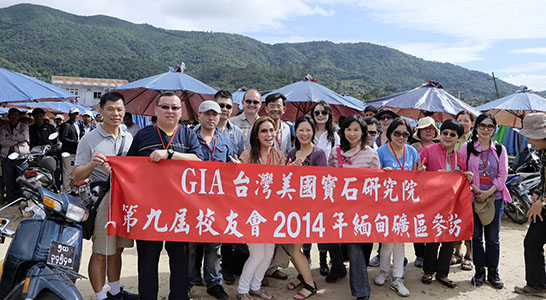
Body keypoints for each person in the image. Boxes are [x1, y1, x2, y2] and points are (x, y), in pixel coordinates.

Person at [127, 91, 203, 300]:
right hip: (149, 209)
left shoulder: (188, 135)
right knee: (148, 260)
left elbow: (199, 161)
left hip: (179, 210)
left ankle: (178, 296)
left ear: (181, 112)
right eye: (165, 107)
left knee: (180, 260)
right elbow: (128, 167)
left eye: (175, 108)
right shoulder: (143, 135)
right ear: (156, 110)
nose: (170, 111)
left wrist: (170, 154)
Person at [73, 92, 138, 300]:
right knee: (101, 251)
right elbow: (76, 175)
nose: (115, 113)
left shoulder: (129, 137)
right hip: (104, 201)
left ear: (125, 111)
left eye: (119, 109)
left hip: (125, 202)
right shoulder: (89, 138)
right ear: (100, 110)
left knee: (118, 248)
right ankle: (101, 296)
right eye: (110, 109)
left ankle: (116, 291)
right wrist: (92, 164)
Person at [233, 116, 286, 300]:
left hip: (271, 213)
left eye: (272, 130)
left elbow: (283, 185)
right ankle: (242, 290)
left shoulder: (280, 156)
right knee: (256, 253)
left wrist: (293, 171)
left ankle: (255, 286)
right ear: (256, 134)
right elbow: (239, 185)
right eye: (264, 130)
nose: (269, 134)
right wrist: (239, 170)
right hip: (252, 213)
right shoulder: (247, 156)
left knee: (268, 253)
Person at [328, 114, 380, 300]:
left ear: (363, 132)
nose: (352, 133)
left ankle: (361, 291)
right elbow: (330, 180)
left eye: (356, 129)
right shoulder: (335, 152)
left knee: (354, 246)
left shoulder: (371, 154)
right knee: (330, 238)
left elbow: (377, 184)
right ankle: (338, 268)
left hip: (360, 210)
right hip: (338, 208)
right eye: (349, 129)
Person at [419, 119, 474, 289]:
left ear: (459, 138)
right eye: (445, 133)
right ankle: (428, 271)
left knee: (449, 240)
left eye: (452, 134)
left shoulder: (461, 157)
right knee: (432, 239)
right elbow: (418, 177)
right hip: (433, 204)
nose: (448, 137)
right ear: (440, 134)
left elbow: (463, 184)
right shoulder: (427, 151)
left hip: (453, 205)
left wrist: (468, 178)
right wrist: (423, 172)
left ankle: (443, 273)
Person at [189, 100, 232, 300]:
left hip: (217, 203)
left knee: (214, 246)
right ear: (199, 115)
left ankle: (214, 283)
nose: (212, 118)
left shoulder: (225, 142)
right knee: (190, 245)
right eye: (207, 114)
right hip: (191, 200)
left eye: (215, 114)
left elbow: (232, 170)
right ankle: (187, 282)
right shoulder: (189, 137)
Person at [460, 113, 509, 289]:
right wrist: (475, 188)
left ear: (494, 129)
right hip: (472, 199)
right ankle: (479, 271)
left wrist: (488, 191)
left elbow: (503, 175)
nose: (486, 129)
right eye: (482, 126)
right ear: (476, 127)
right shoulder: (466, 148)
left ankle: (493, 272)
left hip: (494, 199)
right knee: (476, 237)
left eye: (490, 126)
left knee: (493, 238)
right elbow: (462, 172)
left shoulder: (500, 150)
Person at [375, 117, 420, 297]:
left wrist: (421, 173)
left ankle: (396, 277)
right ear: (390, 133)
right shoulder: (380, 151)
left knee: (399, 240)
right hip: (386, 204)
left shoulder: (412, 152)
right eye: (397, 133)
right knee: (387, 240)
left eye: (405, 134)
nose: (401, 137)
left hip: (406, 204)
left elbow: (418, 175)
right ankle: (384, 271)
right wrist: (381, 174)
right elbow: (372, 178)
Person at [285, 115, 325, 299]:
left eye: (308, 130)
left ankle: (310, 284)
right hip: (291, 207)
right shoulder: (291, 153)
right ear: (295, 131)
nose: (304, 133)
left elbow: (322, 182)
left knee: (295, 247)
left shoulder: (318, 154)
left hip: (308, 209)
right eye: (301, 129)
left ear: (313, 132)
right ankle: (303, 275)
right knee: (289, 246)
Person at [514, 113, 546, 296]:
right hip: (542, 206)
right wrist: (537, 193)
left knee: (533, 243)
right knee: (532, 243)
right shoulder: (541, 151)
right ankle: (538, 285)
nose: (528, 140)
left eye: (530, 136)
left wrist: (542, 201)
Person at [310, 101, 339, 278]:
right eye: (317, 112)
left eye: (324, 112)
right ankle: (305, 256)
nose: (320, 115)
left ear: (329, 115)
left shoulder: (335, 135)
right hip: (307, 184)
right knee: (306, 220)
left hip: (328, 185)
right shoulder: (307, 130)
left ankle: (322, 258)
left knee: (322, 223)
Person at [452, 110, 476, 271]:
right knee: (455, 220)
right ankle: (457, 251)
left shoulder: (475, 141)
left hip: (470, 187)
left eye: (466, 120)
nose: (462, 123)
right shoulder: (452, 138)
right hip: (454, 189)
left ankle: (469, 254)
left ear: (472, 123)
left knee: (469, 221)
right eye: (459, 120)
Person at [0, 108, 29, 202]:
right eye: (12, 115)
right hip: (7, 156)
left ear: (19, 116)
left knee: (23, 179)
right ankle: (11, 199)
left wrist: (10, 138)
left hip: (21, 156)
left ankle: (23, 198)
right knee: (8, 179)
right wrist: (16, 140)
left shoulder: (24, 126)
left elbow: (24, 137)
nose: (14, 117)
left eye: (16, 115)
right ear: (8, 117)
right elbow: (2, 142)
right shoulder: (4, 127)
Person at [214, 90, 245, 156]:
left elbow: (241, 156)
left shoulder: (237, 132)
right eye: (221, 105)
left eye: (228, 107)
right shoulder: (201, 129)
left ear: (232, 109)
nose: (225, 109)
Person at [59, 107, 80, 192]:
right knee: (67, 172)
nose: (75, 116)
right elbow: (63, 138)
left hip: (75, 152)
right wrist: (75, 142)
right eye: (73, 114)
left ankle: (71, 189)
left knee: (73, 172)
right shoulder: (66, 125)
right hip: (67, 152)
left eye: (76, 114)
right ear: (69, 115)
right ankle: (66, 190)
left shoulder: (76, 125)